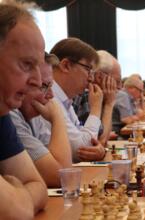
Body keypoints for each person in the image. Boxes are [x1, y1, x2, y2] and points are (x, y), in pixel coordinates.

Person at [0, 2, 48, 218]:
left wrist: (18, 192)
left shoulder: (1, 115)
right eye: (26, 65)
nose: (38, 81)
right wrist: (19, 195)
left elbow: (38, 185)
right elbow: (17, 212)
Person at [31, 38, 105, 162]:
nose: (91, 78)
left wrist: (101, 151)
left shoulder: (65, 100)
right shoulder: (49, 98)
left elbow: (86, 143)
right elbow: (81, 150)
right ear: (66, 65)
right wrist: (96, 108)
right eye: (88, 69)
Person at [11, 53, 72, 187]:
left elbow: (63, 170)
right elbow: (60, 176)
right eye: (44, 86)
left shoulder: (33, 113)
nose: (51, 95)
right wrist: (57, 118)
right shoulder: (11, 115)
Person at [73, 50, 121, 145]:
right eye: (117, 81)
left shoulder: (99, 96)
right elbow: (100, 142)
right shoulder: (86, 94)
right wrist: (109, 104)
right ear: (99, 77)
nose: (120, 87)